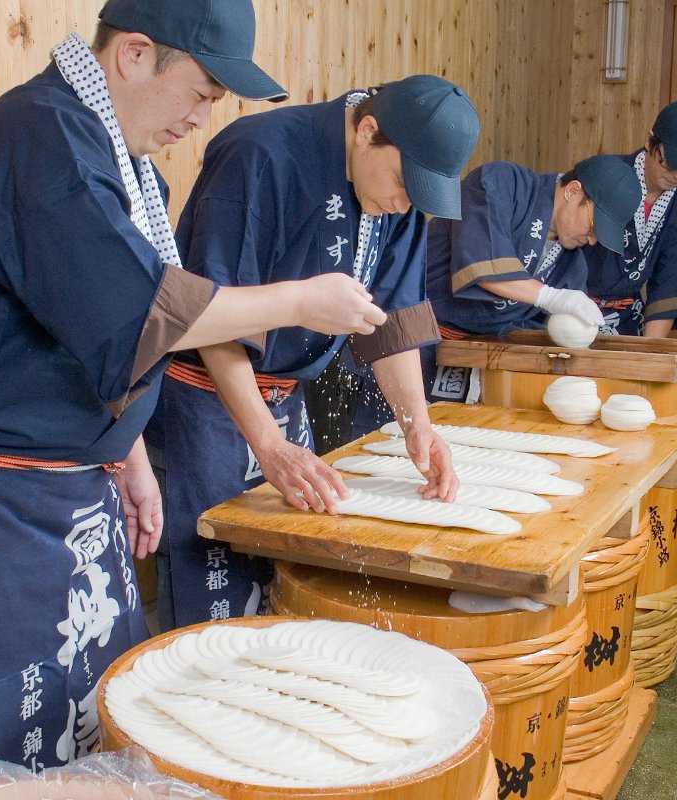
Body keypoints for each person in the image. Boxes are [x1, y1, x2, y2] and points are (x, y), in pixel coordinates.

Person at [0, 0, 394, 782]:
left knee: (90, 719)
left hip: (73, 495)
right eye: (201, 91)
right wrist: (301, 301)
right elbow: (138, 311)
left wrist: (129, 453)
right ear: (135, 55)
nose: (203, 118)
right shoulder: (42, 137)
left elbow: (84, 328)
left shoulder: (116, 151)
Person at [146, 75, 480, 630]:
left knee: (289, 574)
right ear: (367, 131)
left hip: (287, 400)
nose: (404, 203)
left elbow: (391, 321)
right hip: (209, 400)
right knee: (214, 589)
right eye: (403, 183)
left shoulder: (398, 197)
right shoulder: (259, 154)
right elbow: (208, 318)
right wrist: (268, 443)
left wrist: (416, 425)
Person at [350, 154, 642, 434]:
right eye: (593, 226)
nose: (591, 240)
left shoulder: (572, 267)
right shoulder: (502, 183)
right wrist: (549, 297)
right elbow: (483, 264)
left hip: (471, 362)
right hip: (409, 339)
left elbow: (536, 333)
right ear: (573, 191)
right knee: (381, 444)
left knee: (446, 456)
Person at [584, 101, 677, 337]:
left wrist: (648, 351)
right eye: (669, 163)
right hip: (569, 305)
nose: (676, 176)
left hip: (625, 317)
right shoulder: (605, 175)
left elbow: (670, 286)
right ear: (650, 141)